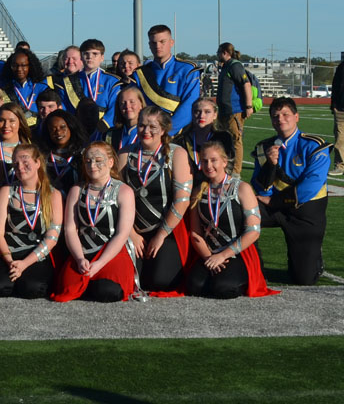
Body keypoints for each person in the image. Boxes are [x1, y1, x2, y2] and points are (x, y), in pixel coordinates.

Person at [250, 97, 330, 285]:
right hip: (274, 207)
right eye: (275, 116)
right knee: (240, 214)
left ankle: (314, 258)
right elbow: (260, 188)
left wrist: (275, 202)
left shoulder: (315, 145)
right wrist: (270, 165)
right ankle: (253, 267)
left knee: (303, 279)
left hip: (305, 210)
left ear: (296, 117)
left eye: (285, 114)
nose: (280, 119)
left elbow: (311, 185)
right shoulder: (264, 147)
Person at [186, 141, 276, 299]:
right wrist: (208, 257)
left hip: (238, 253)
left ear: (224, 161)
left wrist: (223, 255)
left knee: (224, 288)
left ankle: (242, 277)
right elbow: (195, 232)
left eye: (213, 160)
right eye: (204, 161)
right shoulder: (198, 191)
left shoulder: (242, 188)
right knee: (194, 286)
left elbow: (253, 231)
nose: (209, 165)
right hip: (210, 253)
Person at [119, 106, 192, 294]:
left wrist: (161, 235)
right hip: (132, 230)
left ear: (163, 129)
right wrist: (130, 233)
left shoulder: (176, 154)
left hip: (166, 230)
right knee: (128, 279)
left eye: (152, 127)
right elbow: (116, 197)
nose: (146, 131)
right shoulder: (125, 154)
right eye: (142, 125)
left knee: (161, 281)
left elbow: (182, 200)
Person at [51, 142, 136, 302]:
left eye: (98, 160)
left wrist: (100, 263)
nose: (92, 165)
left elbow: (122, 234)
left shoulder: (124, 191)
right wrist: (79, 258)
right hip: (83, 250)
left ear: (110, 162)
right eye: (88, 161)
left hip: (112, 252)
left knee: (107, 291)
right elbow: (70, 229)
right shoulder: (77, 190)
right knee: (66, 290)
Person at [0, 144, 63, 299]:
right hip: (9, 252)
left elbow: (52, 236)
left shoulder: (53, 194)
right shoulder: (6, 191)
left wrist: (25, 264)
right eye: (16, 164)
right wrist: (10, 261)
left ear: (37, 163)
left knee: (33, 289)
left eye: (25, 162)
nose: (20, 167)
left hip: (37, 254)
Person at [134, 25, 201, 135]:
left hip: (181, 134)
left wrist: (167, 132)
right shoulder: (140, 74)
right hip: (148, 133)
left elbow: (190, 104)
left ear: (171, 42)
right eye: (153, 43)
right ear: (149, 45)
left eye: (162, 42)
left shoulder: (187, 70)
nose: (158, 46)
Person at [215, 43, 255, 171]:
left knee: (236, 140)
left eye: (218, 52)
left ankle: (236, 171)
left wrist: (248, 106)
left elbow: (246, 84)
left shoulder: (235, 66)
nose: (217, 55)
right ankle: (226, 167)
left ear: (225, 53)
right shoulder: (226, 67)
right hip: (224, 110)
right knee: (223, 139)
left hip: (234, 109)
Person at [173, 98, 236, 179]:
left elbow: (229, 165)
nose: (201, 116)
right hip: (188, 183)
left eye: (207, 112)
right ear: (192, 114)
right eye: (197, 112)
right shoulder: (181, 140)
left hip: (216, 183)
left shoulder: (224, 138)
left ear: (215, 115)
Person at [38, 109, 87, 194]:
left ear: (70, 127)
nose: (58, 132)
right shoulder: (42, 156)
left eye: (62, 127)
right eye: (53, 129)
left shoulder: (83, 154)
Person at [0, 103, 32, 191]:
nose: (6, 125)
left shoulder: (31, 151)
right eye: (1, 120)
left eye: (12, 121)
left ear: (20, 123)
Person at [3, 49, 48, 126]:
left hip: (39, 129)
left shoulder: (42, 88)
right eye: (15, 65)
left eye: (23, 65)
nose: (19, 69)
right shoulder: (5, 90)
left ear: (30, 66)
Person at [106, 86, 144, 153]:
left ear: (141, 104)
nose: (127, 106)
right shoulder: (111, 135)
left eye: (132, 102)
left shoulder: (147, 133)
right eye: (123, 103)